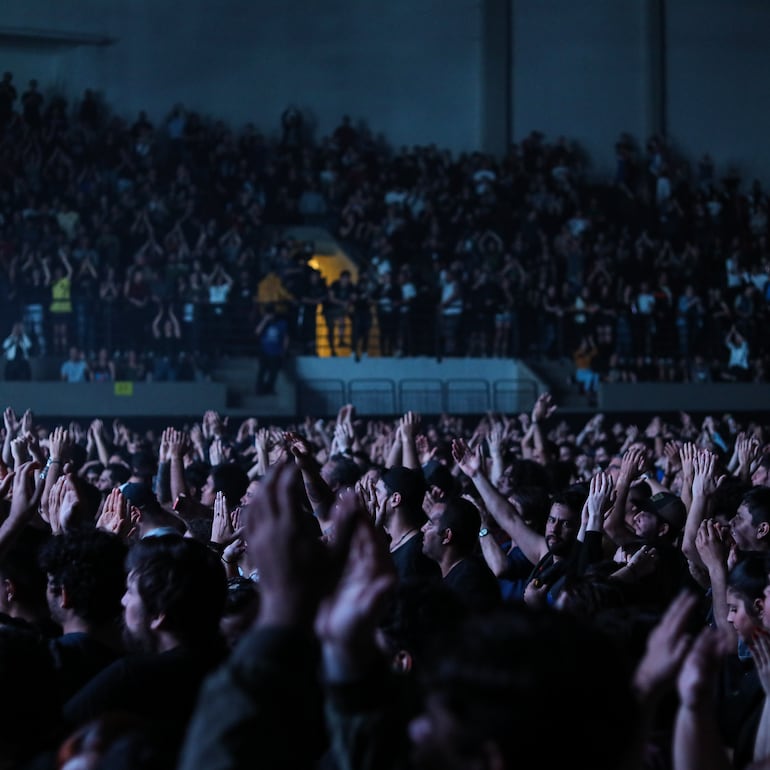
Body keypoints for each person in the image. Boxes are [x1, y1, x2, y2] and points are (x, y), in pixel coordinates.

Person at [63, 535, 228, 765]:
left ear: (159, 614)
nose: (122, 601)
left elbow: (54, 732)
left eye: (130, 591)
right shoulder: (233, 669)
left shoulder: (131, 677)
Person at [421, 496, 501, 611]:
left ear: (447, 536)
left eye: (430, 524)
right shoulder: (457, 575)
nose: (422, 529)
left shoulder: (470, 583)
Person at [255, 303, 289, 395]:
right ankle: (259, 389)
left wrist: (283, 351)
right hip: (264, 351)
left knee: (273, 373)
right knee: (262, 371)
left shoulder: (281, 323)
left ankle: (269, 389)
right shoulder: (264, 322)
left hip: (276, 351)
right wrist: (265, 321)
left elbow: (285, 338)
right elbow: (257, 332)